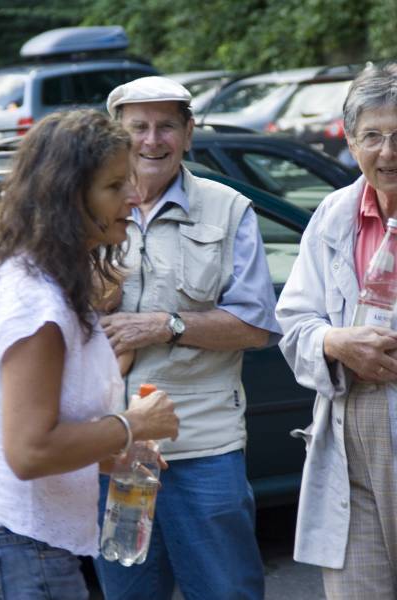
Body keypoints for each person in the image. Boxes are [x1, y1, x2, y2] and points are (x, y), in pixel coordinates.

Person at [93, 75, 281, 600]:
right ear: (116, 135)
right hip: (114, 447)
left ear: (189, 133)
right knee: (128, 593)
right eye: (138, 128)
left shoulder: (227, 207)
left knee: (225, 592)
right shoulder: (88, 209)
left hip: (204, 447)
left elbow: (257, 325)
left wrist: (166, 325)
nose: (153, 140)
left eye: (167, 127)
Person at [0, 109, 179, 600]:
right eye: (115, 185)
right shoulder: (37, 303)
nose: (134, 197)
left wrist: (111, 454)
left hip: (33, 542)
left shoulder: (45, 281)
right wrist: (132, 425)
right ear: (67, 196)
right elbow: (28, 452)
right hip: (25, 544)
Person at [276, 63, 397, 599]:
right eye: (373, 136)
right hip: (350, 430)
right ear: (349, 140)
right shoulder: (333, 214)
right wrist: (333, 341)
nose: (387, 152)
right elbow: (294, 320)